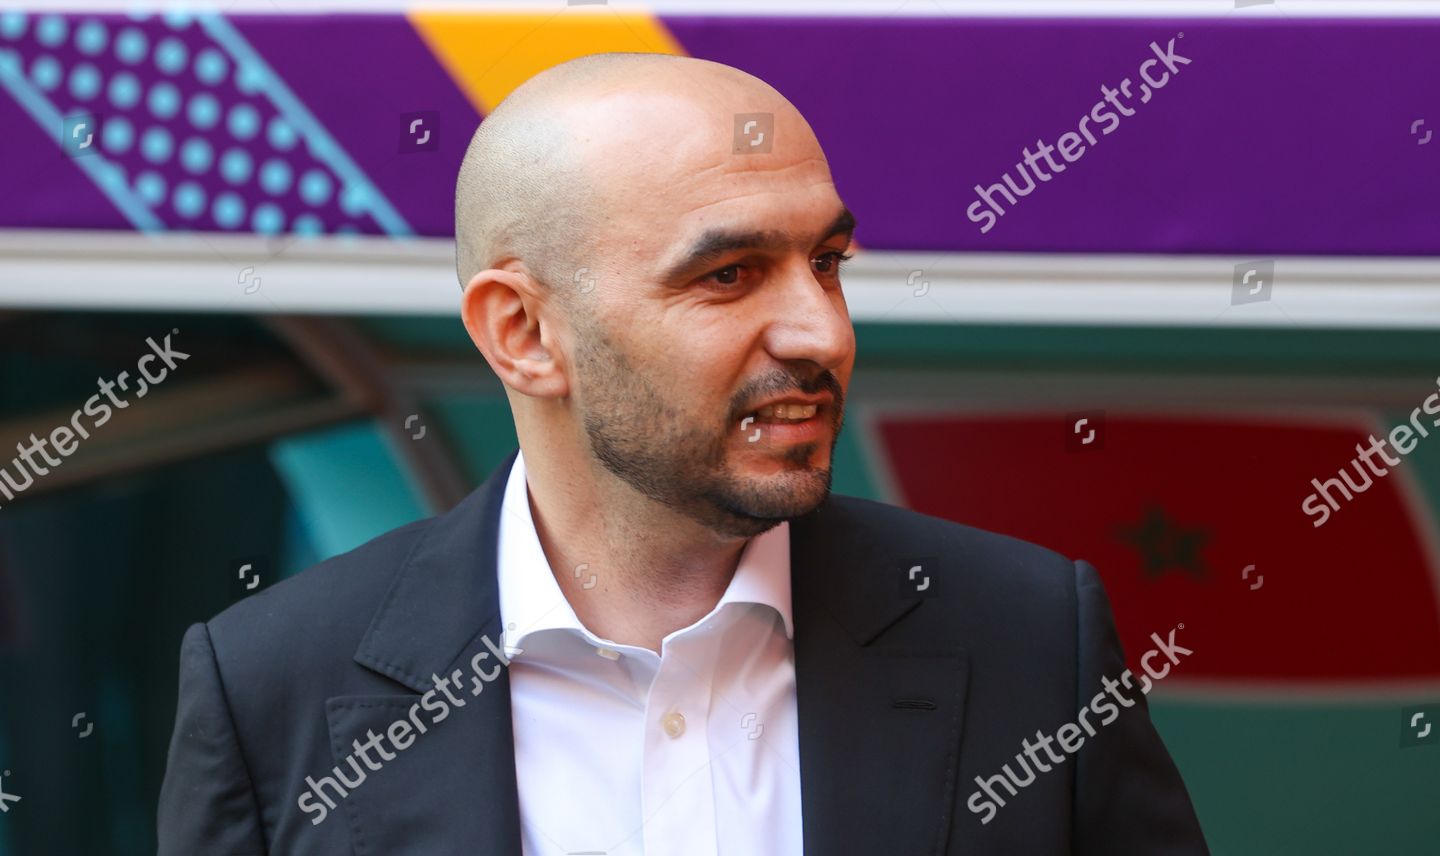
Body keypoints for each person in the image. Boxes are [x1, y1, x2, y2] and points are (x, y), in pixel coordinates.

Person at [158, 52, 1208, 855]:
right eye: (729, 275)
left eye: (827, 262)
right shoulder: (271, 687)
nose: (822, 333)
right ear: (523, 333)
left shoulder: (1029, 638)